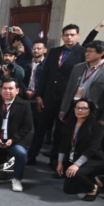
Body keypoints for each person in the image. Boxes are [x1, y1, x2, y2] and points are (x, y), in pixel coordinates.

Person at [31, 24, 86, 168]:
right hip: (48, 96)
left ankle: (55, 160)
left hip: (66, 98)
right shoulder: (55, 51)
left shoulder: (82, 53)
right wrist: (39, 95)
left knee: (60, 132)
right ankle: (31, 155)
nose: (69, 38)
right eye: (66, 35)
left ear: (78, 36)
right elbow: (45, 73)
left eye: (72, 35)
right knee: (40, 128)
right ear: (62, 36)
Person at [59, 41, 104, 125]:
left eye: (90, 51)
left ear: (101, 53)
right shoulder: (78, 67)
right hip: (74, 108)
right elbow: (69, 89)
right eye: (87, 51)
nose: (86, 54)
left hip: (94, 112)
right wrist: (63, 109)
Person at [57, 99, 104, 201]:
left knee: (76, 173)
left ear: (90, 110)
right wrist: (60, 162)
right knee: (68, 190)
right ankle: (94, 179)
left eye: (84, 108)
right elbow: (63, 145)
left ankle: (93, 189)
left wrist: (76, 165)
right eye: (78, 108)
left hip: (93, 160)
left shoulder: (97, 126)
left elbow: (92, 149)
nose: (80, 110)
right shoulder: (70, 124)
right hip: (76, 158)